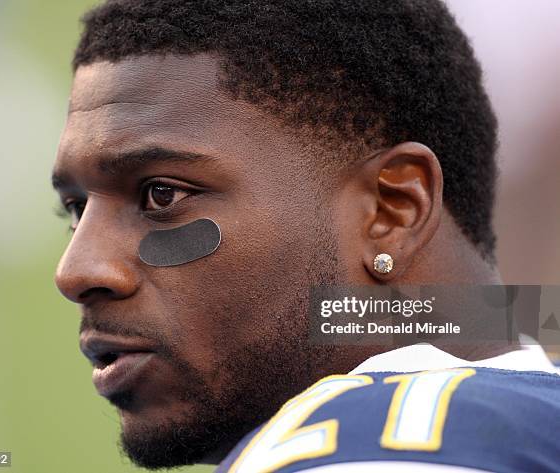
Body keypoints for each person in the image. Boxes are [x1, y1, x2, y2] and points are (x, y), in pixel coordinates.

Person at [51, 0, 560, 471]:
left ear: (392, 210)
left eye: (162, 196)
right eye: (76, 209)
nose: (75, 271)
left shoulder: (373, 446)